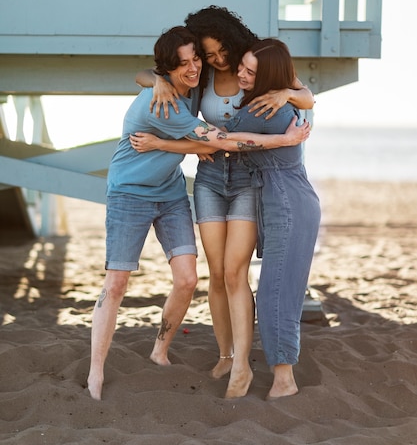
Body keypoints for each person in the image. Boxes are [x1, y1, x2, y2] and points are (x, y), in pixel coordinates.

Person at [87, 25, 310, 400]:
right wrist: (283, 141)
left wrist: (290, 95)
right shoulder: (168, 99)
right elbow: (215, 139)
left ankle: (186, 354)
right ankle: (97, 372)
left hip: (182, 190)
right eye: (189, 62)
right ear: (169, 69)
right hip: (144, 192)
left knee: (204, 277)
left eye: (199, 58)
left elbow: (303, 96)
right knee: (124, 282)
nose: (197, 67)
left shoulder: (203, 84)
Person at [231, 38, 321, 399]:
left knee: (277, 291)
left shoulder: (265, 110)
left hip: (287, 203)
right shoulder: (277, 100)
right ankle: (284, 375)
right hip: (292, 199)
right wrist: (291, 92)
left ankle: (284, 380)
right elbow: (306, 94)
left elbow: (223, 139)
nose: (241, 74)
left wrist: (164, 142)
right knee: (284, 289)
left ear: (268, 76)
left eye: (251, 72)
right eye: (241, 66)